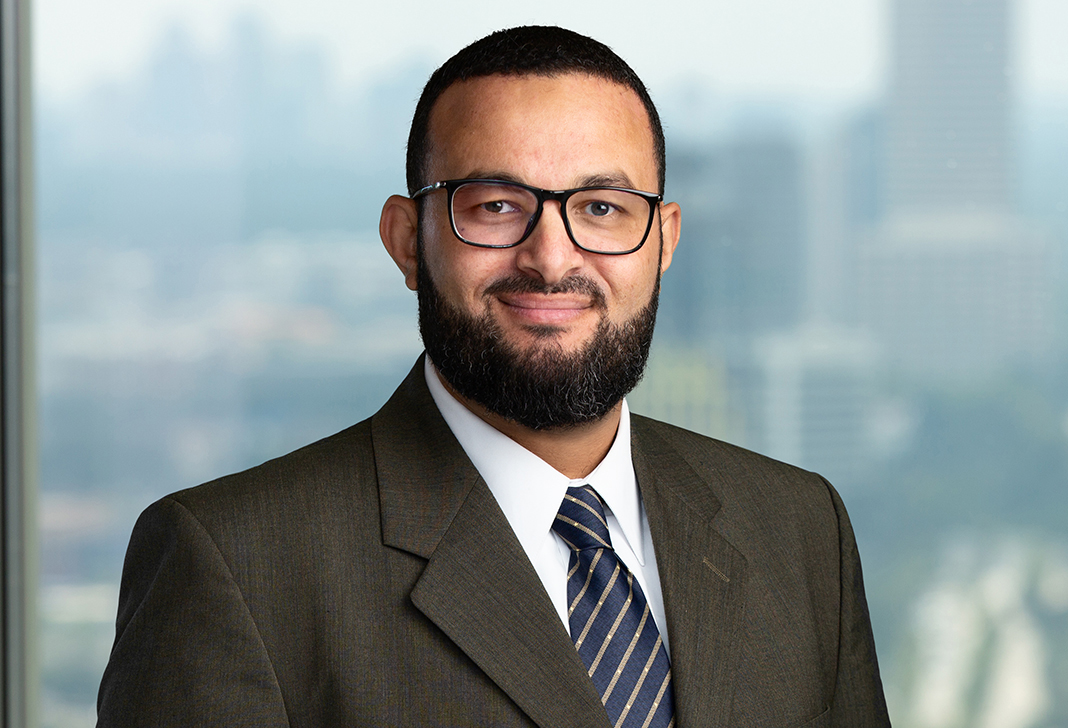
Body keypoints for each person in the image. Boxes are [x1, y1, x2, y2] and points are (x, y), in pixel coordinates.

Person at [97, 25, 890, 728]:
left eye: (602, 208)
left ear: (664, 241)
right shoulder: (235, 565)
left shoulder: (797, 527)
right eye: (496, 207)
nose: (551, 257)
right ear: (407, 241)